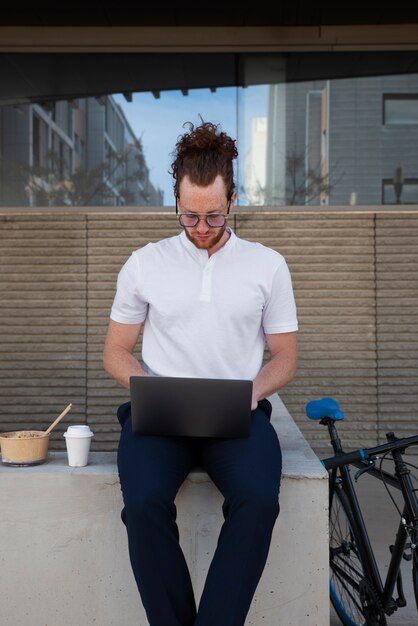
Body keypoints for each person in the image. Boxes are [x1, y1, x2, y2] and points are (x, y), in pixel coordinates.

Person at [103, 120, 298, 626]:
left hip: (237, 414)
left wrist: (252, 391)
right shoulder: (145, 263)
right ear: (176, 201)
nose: (201, 227)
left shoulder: (267, 265)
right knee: (143, 503)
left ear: (233, 198)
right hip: (162, 413)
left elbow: (285, 356)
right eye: (189, 215)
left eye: (212, 215)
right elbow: (116, 351)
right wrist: (151, 385)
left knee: (258, 502)